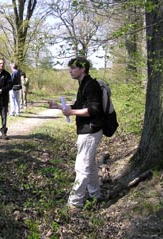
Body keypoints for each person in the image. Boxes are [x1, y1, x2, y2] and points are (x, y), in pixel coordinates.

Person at [49, 57, 103, 210]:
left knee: (81, 167)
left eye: (73, 67)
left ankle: (74, 204)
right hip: (87, 131)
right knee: (90, 166)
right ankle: (95, 195)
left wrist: (71, 112)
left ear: (83, 69)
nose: (70, 70)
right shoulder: (83, 84)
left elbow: (94, 109)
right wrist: (58, 106)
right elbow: (78, 106)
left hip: (91, 132)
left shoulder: (91, 85)